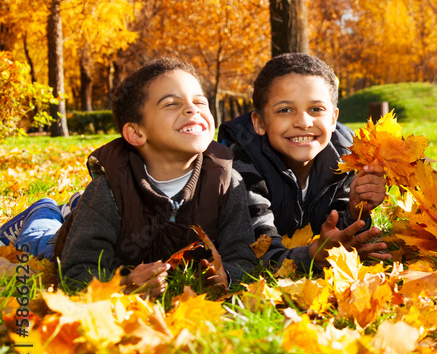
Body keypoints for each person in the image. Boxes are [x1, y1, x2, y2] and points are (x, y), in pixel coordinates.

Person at [10, 58, 259, 294]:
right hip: (62, 240)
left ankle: (69, 206)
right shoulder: (110, 189)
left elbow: (241, 255)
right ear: (136, 133)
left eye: (200, 102)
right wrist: (122, 285)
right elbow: (76, 270)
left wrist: (228, 274)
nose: (192, 109)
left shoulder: (226, 182)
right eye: (172, 103)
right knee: (40, 244)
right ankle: (42, 210)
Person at [218, 53, 388, 273]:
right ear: (259, 122)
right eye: (285, 110)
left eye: (316, 109)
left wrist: (357, 210)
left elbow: (337, 235)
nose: (303, 122)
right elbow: (259, 252)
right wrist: (313, 257)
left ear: (334, 118)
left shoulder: (347, 157)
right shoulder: (241, 165)